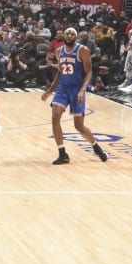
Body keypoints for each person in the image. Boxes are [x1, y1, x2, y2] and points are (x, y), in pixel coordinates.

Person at [40, 27, 107, 165]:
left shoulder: (83, 50)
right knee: (55, 116)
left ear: (75, 37)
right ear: (64, 36)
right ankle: (62, 153)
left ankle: (95, 146)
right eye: (67, 33)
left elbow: (88, 72)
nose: (69, 35)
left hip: (77, 89)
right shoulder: (58, 52)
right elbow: (60, 73)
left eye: (72, 33)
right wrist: (50, 90)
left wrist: (83, 89)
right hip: (63, 89)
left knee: (79, 126)